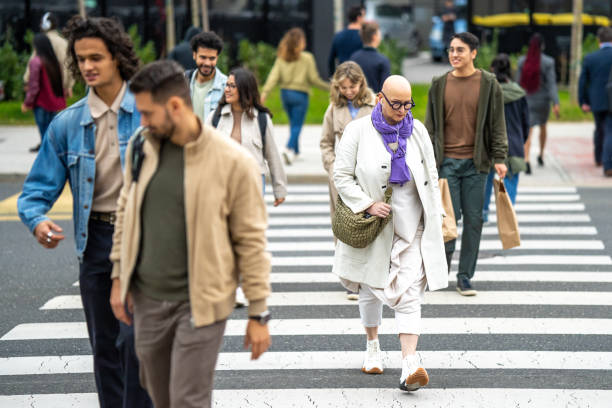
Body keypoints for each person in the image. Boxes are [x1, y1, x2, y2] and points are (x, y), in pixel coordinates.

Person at [109, 60, 272, 408]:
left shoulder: (233, 162)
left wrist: (258, 312)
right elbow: (126, 210)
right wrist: (118, 276)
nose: (142, 122)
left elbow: (252, 241)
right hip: (148, 301)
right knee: (160, 396)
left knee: (187, 400)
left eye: (148, 113)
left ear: (175, 107)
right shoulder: (142, 146)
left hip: (200, 304)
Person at [17, 16, 152, 408]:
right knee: (106, 348)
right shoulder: (68, 124)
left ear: (117, 58)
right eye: (81, 59)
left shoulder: (149, 114)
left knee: (135, 342)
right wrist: (38, 219)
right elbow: (35, 192)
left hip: (144, 240)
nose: (88, 66)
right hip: (95, 242)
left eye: (97, 57)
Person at [333, 75, 448, 392]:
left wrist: (437, 212)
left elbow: (431, 171)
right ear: (380, 98)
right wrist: (366, 204)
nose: (402, 110)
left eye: (407, 104)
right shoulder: (358, 131)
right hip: (376, 227)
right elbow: (341, 176)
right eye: (395, 104)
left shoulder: (418, 130)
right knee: (370, 289)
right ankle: (372, 346)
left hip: (412, 227)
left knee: (410, 293)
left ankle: (410, 363)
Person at [425, 32, 507, 296]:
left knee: (474, 221)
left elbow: (497, 124)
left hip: (476, 164)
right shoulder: (438, 84)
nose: (454, 55)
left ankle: (465, 277)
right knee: (448, 220)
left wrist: (500, 157)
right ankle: (440, 273)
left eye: (460, 50)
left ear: (474, 53)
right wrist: (426, 160)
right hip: (446, 163)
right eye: (451, 50)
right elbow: (430, 127)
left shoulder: (489, 83)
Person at [206, 67, 287, 307]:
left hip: (252, 185)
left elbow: (272, 155)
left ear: (244, 89)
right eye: (227, 85)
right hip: (219, 184)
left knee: (246, 237)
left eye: (232, 85)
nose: (227, 89)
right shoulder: (216, 116)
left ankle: (241, 286)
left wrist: (279, 189)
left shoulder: (261, 119)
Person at [320, 61, 375, 300]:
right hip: (340, 178)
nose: (349, 91)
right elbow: (325, 142)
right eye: (344, 87)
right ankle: (350, 278)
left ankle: (367, 274)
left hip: (366, 176)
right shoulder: (334, 108)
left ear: (361, 83)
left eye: (353, 86)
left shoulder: (374, 106)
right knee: (343, 224)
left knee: (367, 223)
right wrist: (332, 167)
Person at [261, 28, 329, 165]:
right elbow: (314, 79)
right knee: (297, 125)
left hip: (285, 95)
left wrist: (264, 93)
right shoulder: (307, 58)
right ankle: (288, 148)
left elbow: (273, 77)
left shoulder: (281, 58)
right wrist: (330, 87)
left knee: (293, 123)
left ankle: (297, 151)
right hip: (300, 95)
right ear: (299, 42)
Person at [483, 54, 530, 222]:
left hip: (489, 144)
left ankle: (483, 214)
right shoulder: (519, 94)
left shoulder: (487, 93)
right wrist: (520, 140)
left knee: (486, 181)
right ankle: (507, 217)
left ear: (492, 70)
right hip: (514, 144)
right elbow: (526, 124)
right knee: (510, 181)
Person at [517, 33, 560, 173]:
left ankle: (527, 159)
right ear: (542, 46)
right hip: (543, 101)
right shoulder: (548, 62)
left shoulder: (522, 61)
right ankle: (541, 154)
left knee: (528, 130)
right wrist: (556, 103)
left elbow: (518, 84)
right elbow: (552, 84)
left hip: (527, 100)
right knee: (543, 126)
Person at [21, 33, 66, 152]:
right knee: (51, 130)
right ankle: (52, 150)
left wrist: (27, 102)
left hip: (41, 102)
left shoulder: (36, 61)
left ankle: (47, 153)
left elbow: (34, 86)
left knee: (43, 129)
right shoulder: (53, 62)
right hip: (53, 101)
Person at [579, 26, 612, 176]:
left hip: (597, 101)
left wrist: (583, 101)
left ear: (599, 40)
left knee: (600, 129)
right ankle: (607, 164)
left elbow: (582, 82)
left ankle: (599, 158)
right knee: (609, 131)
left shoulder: (590, 58)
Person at [24, 12, 74, 99]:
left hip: (42, 88)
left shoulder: (41, 41)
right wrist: (68, 86)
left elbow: (32, 63)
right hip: (59, 88)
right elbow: (68, 65)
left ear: (45, 25)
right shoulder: (63, 42)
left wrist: (27, 81)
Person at [187, 31, 227, 122]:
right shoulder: (183, 82)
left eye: (212, 58)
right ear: (194, 55)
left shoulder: (226, 86)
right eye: (203, 57)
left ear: (217, 58)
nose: (207, 63)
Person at [349, 21, 391, 93]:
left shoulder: (353, 58)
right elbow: (384, 89)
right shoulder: (382, 61)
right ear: (374, 37)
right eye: (379, 34)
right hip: (374, 102)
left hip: (356, 101)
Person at [328, 6, 365, 77]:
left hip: (342, 75)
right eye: (364, 16)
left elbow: (331, 60)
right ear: (359, 18)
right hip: (358, 76)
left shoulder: (338, 36)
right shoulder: (364, 37)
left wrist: (332, 77)